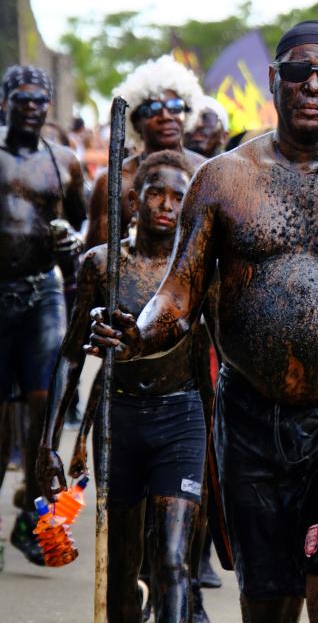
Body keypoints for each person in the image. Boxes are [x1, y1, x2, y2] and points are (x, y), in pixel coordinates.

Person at [88, 20, 318, 623]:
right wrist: (138, 330)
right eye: (298, 72)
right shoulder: (222, 178)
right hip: (251, 419)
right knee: (268, 607)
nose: (313, 85)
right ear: (273, 80)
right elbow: (178, 296)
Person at [37, 151, 212, 621]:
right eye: (156, 193)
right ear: (134, 201)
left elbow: (217, 361)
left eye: (179, 196)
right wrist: (50, 443)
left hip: (182, 419)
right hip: (121, 421)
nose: (167, 205)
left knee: (174, 561)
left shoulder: (200, 269)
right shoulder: (101, 265)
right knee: (119, 568)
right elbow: (71, 354)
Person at [0, 64, 85, 565]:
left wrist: (72, 241)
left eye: (40, 100)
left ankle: (32, 522)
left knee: (44, 403)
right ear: (6, 101)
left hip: (41, 294)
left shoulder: (64, 161)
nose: (32, 107)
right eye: (23, 98)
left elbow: (80, 224)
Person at [85, 55, 205, 249]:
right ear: (135, 121)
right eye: (152, 108)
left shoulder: (206, 172)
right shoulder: (114, 181)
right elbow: (97, 259)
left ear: (187, 113)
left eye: (175, 107)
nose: (165, 116)